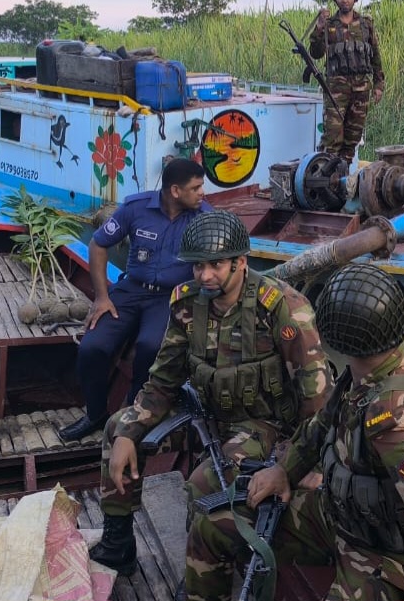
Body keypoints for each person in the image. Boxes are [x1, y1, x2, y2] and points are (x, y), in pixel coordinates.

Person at [200, 263, 404, 601]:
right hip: (337, 512)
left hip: (384, 554)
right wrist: (286, 469)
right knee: (214, 525)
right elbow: (326, 420)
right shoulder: (376, 360)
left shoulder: (393, 424)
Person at [90, 210, 332, 581]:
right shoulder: (186, 303)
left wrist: (301, 465)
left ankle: (207, 574)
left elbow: (316, 399)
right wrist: (129, 433)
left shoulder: (282, 307)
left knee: (200, 488)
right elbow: (163, 380)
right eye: (197, 266)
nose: (205, 276)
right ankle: (118, 543)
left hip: (261, 426)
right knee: (115, 429)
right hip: (204, 414)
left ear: (240, 262)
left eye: (216, 265)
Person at [59, 158, 213, 441]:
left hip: (170, 297)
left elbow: (217, 263)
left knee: (151, 347)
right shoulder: (135, 208)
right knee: (92, 347)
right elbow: (97, 244)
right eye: (196, 187)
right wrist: (102, 297)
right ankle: (95, 414)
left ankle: (132, 417)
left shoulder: (204, 218)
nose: (202, 192)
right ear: (175, 191)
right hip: (130, 290)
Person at [308, 0, 385, 164]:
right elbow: (316, 53)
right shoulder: (328, 24)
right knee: (332, 137)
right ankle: (324, 178)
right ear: (336, 0)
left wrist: (379, 84)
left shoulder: (366, 24)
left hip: (361, 89)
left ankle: (340, 180)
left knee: (352, 139)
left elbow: (375, 56)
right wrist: (319, 27)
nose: (345, 0)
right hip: (336, 89)